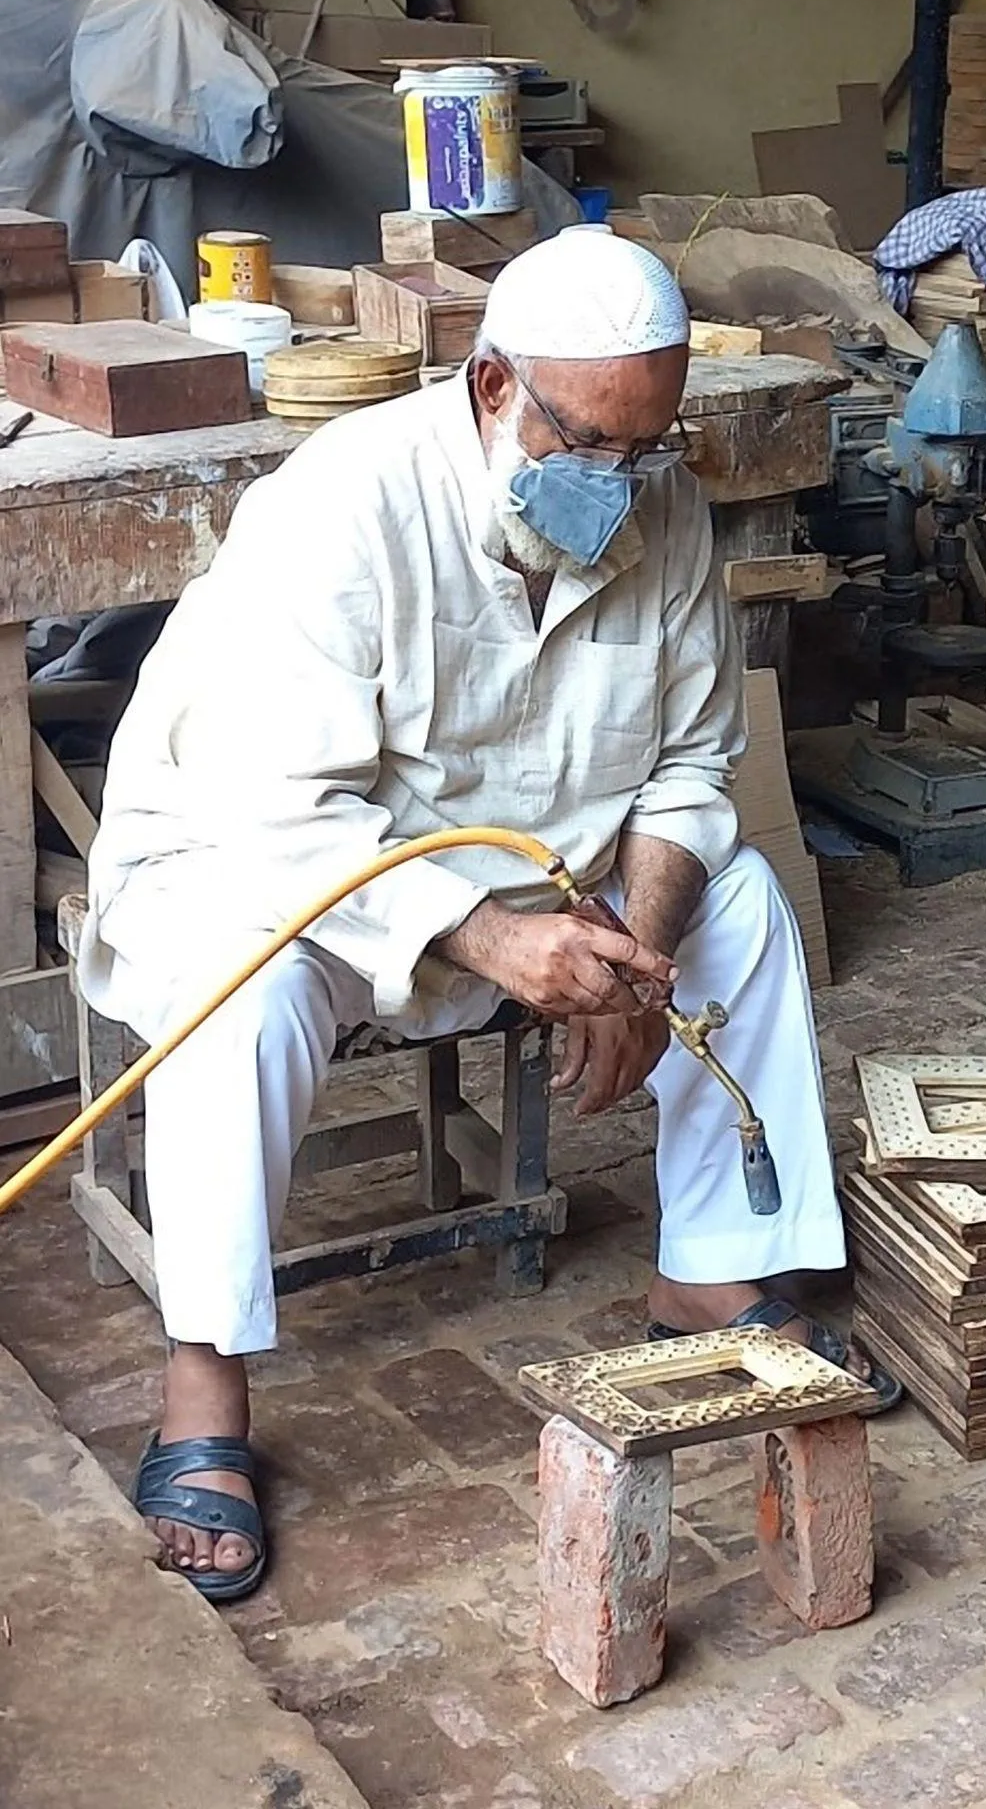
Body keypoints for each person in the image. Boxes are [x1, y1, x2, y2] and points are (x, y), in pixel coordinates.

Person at [79, 224, 899, 1605]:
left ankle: (711, 1273)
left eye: (646, 451)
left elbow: (694, 768)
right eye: (586, 444)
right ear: (492, 385)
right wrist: (490, 939)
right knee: (243, 981)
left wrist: (636, 963)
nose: (616, 486)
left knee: (742, 900)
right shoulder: (340, 508)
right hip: (276, 863)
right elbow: (275, 808)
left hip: (538, 864)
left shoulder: (662, 502)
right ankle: (203, 1385)